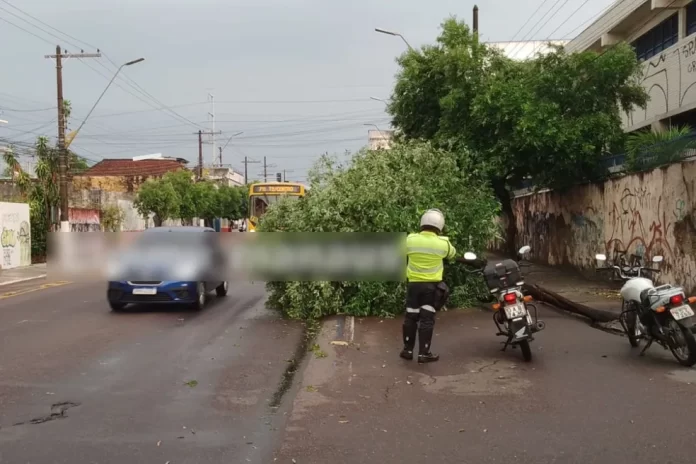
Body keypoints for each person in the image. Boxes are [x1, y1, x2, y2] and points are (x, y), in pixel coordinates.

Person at [401, 208, 459, 364]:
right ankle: (424, 353)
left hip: (413, 286)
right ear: (440, 225)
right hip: (431, 288)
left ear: (422, 223)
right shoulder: (443, 244)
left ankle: (407, 350)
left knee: (410, 317)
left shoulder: (410, 239)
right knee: (427, 319)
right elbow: (452, 255)